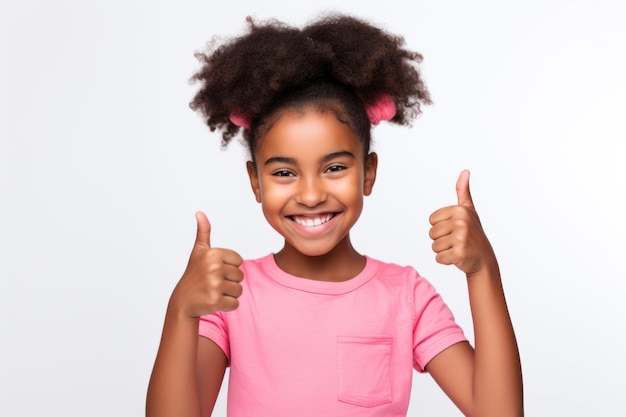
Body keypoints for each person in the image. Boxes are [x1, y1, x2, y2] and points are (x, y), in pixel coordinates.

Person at [146, 14, 523, 417]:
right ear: (256, 182)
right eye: (284, 173)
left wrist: (483, 270)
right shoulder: (232, 295)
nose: (310, 195)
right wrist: (180, 310)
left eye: (334, 168)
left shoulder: (406, 296)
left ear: (369, 173)